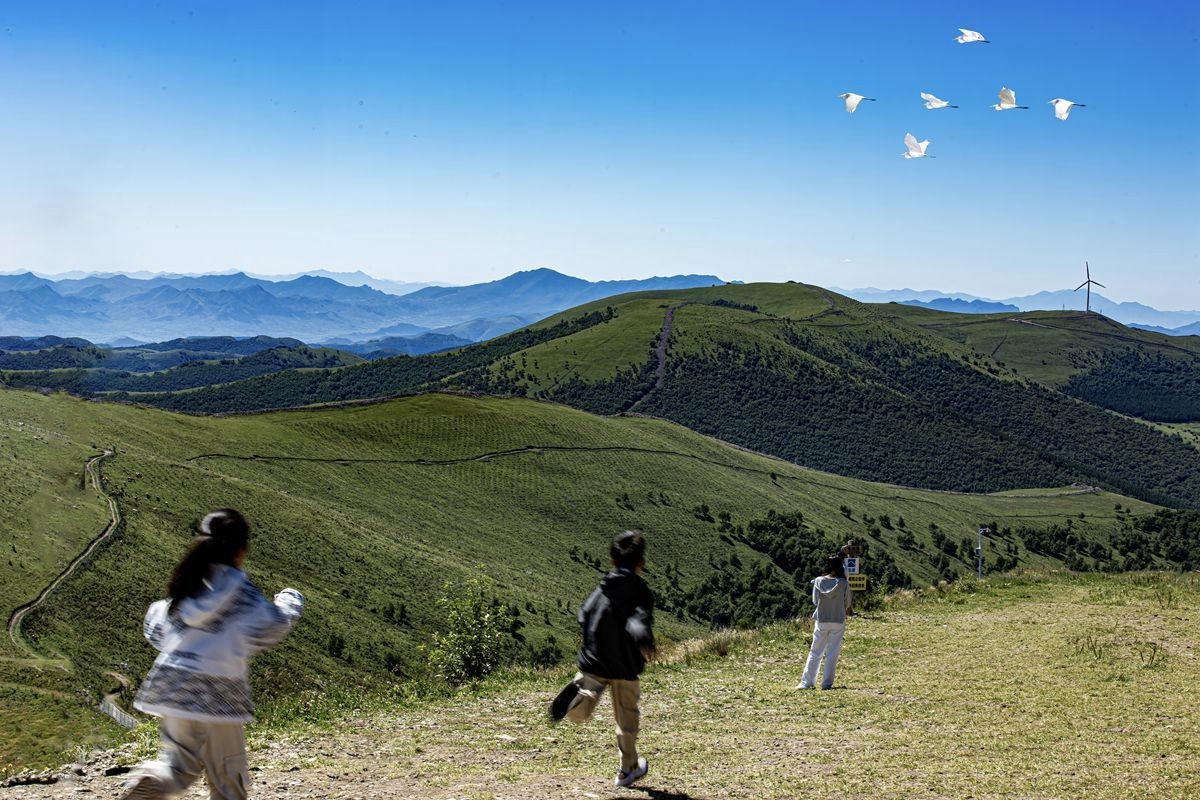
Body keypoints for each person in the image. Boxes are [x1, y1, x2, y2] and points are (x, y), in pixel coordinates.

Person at [120, 509, 304, 800]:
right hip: (219, 691)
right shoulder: (240, 591)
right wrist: (290, 601)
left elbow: (155, 627)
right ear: (241, 551)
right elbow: (272, 627)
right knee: (228, 779)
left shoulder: (189, 586)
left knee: (178, 768)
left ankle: (153, 780)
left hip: (173, 684)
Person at [549, 530, 655, 788]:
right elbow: (639, 618)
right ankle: (627, 770)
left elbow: (584, 613)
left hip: (595, 658)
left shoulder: (603, 586)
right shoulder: (640, 590)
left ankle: (576, 701)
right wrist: (644, 639)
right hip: (625, 664)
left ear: (612, 561)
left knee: (584, 704)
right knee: (626, 719)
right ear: (641, 563)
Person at [795, 555, 852, 690]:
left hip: (822, 619)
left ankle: (807, 682)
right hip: (838, 620)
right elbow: (847, 603)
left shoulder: (818, 581)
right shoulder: (843, 583)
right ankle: (826, 684)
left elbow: (815, 601)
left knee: (815, 651)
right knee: (832, 653)